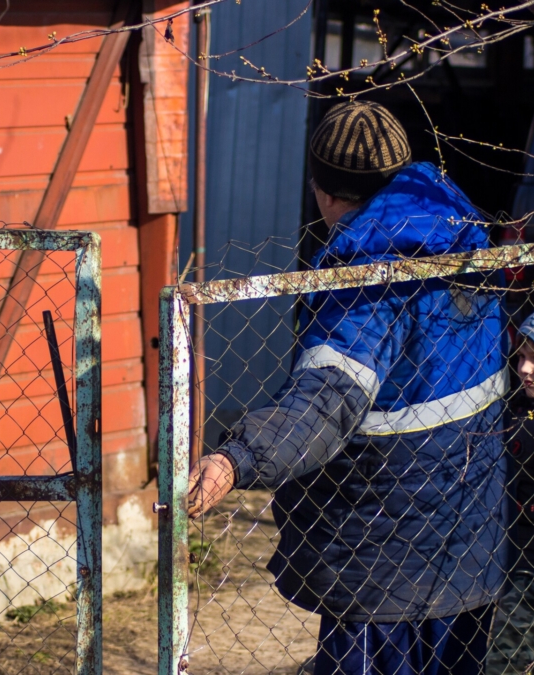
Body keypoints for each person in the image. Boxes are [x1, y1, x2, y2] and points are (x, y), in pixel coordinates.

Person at [187, 101, 508, 674]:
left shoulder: (365, 280)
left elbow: (326, 402)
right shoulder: (460, 231)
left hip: (383, 549)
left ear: (323, 191)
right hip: (469, 538)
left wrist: (236, 459)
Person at [487, 308, 534, 674]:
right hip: (511, 555)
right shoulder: (522, 410)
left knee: (508, 658)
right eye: (521, 357)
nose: (526, 368)